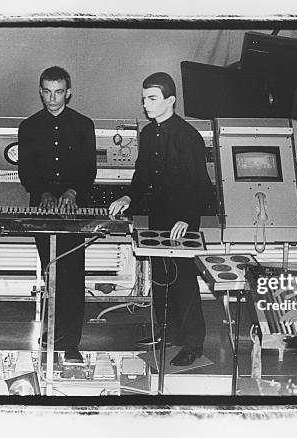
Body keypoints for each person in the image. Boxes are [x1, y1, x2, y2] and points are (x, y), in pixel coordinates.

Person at [109, 72, 212, 366]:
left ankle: (193, 343)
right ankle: (168, 334)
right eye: (144, 99)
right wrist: (129, 197)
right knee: (162, 277)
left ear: (171, 100)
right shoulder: (148, 133)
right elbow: (143, 175)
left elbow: (201, 185)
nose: (146, 104)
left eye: (152, 99)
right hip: (159, 217)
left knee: (183, 281)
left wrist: (187, 218)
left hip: (182, 219)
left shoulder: (187, 136)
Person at [18, 66, 97, 361]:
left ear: (69, 92)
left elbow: (89, 169)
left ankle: (71, 342)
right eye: (47, 92)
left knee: (73, 274)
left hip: (74, 211)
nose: (53, 98)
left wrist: (71, 192)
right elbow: (25, 170)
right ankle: (51, 334)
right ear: (41, 92)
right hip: (42, 209)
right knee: (50, 271)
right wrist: (44, 193)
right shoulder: (28, 127)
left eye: (59, 92)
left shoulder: (83, 125)